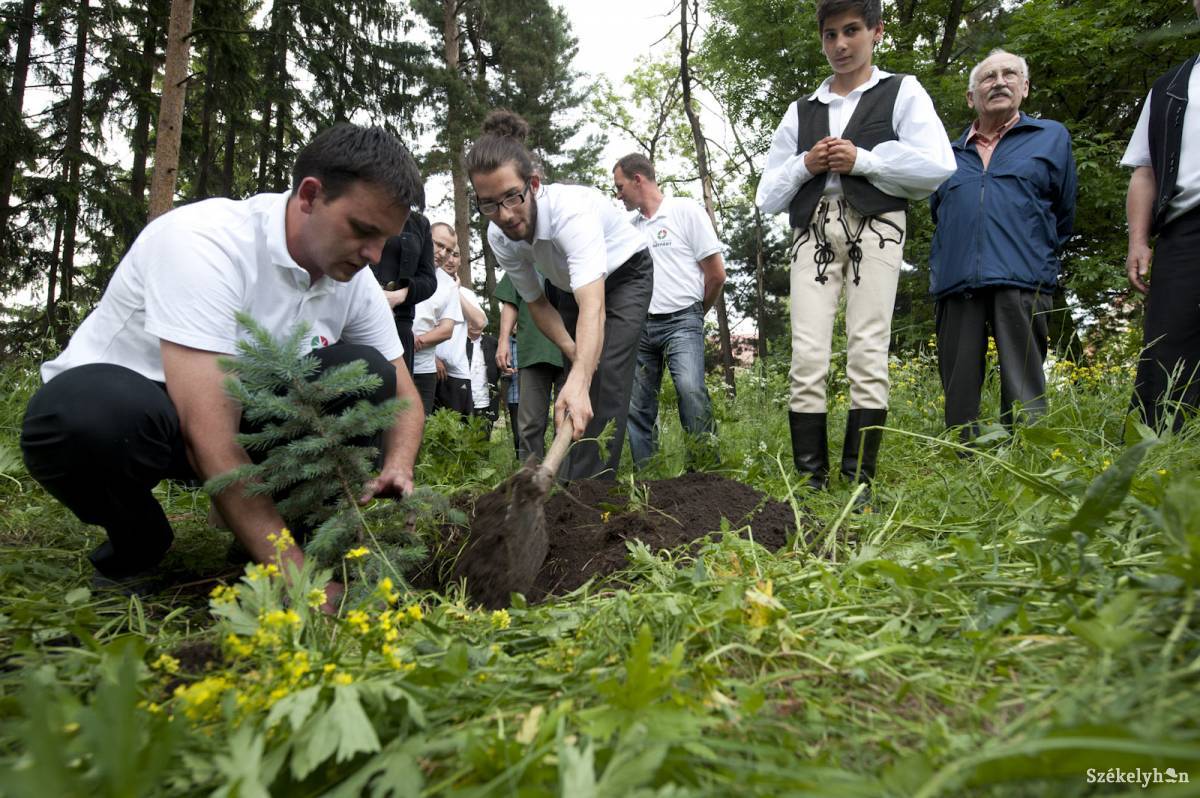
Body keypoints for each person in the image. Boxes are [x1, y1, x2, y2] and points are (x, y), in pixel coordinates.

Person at [19, 124, 426, 608]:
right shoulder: (205, 242)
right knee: (83, 419)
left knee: (365, 368)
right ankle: (138, 543)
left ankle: (273, 536)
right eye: (362, 230)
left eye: (386, 239)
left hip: (240, 416)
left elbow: (404, 395)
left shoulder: (351, 277)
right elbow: (208, 435)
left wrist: (398, 466)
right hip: (143, 414)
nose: (374, 256)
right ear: (310, 196)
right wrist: (300, 582)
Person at [755, 0, 954, 500]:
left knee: (868, 347)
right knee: (807, 351)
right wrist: (806, 164)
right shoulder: (802, 111)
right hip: (813, 229)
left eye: (851, 31)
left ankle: (859, 479)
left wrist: (863, 160)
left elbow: (937, 166)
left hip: (878, 223)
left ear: (876, 32)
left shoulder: (901, 91)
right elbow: (767, 195)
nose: (840, 45)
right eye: (829, 35)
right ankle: (810, 477)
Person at [467, 109, 652, 481]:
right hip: (566, 287)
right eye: (488, 204)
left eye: (512, 197)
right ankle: (566, 483)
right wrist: (575, 356)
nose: (504, 215)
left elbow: (594, 307)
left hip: (624, 277)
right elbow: (536, 303)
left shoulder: (571, 214)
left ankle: (588, 494)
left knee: (604, 380)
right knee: (574, 381)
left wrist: (586, 374)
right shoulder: (499, 236)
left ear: (533, 184)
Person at [928, 50, 1077, 441]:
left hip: (1023, 274)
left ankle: (1027, 455)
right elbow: (939, 212)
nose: (999, 81)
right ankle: (962, 459)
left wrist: (1034, 250)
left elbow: (1063, 212)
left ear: (1024, 87)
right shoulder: (945, 154)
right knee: (958, 385)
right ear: (970, 96)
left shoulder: (1051, 137)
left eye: (1010, 74)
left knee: (1024, 380)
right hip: (957, 279)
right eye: (988, 77)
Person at [613, 153, 725, 469]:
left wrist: (694, 314)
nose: (618, 195)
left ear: (638, 179)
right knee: (637, 405)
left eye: (620, 187)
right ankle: (648, 477)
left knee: (690, 390)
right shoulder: (628, 229)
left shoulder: (685, 211)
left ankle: (704, 470)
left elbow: (716, 274)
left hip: (682, 321)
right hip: (640, 327)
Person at [1123, 2, 1200, 432]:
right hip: (1184, 228)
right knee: (1168, 347)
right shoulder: (1171, 87)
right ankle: (1164, 453)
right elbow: (1145, 171)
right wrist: (1138, 241)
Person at [495, 272, 565, 461]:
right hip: (534, 348)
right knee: (529, 425)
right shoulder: (523, 253)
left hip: (573, 348)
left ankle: (568, 483)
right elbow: (511, 301)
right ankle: (531, 482)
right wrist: (503, 341)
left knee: (568, 422)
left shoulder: (572, 248)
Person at [370, 211, 439, 375]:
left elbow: (429, 280)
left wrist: (397, 296)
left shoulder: (419, 223)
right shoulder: (363, 205)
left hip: (400, 323)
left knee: (397, 396)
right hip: (358, 316)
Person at [430, 222, 482, 416]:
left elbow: (479, 323)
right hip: (427, 366)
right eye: (445, 251)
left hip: (457, 374)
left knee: (458, 434)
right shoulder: (425, 285)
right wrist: (431, 357)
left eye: (455, 254)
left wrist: (456, 290)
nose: (449, 258)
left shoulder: (465, 293)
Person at [410, 247, 463, 416]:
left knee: (418, 426)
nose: (442, 253)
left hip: (424, 370)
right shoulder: (404, 268)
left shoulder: (449, 285)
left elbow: (446, 330)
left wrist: (415, 341)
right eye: (438, 244)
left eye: (448, 249)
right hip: (391, 360)